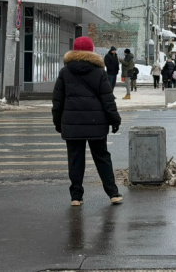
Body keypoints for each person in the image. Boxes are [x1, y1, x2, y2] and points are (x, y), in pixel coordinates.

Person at [51, 36, 123, 207]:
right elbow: (108, 99)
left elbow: (57, 100)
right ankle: (113, 193)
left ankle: (76, 197)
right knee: (102, 157)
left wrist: (58, 122)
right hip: (96, 122)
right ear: (91, 51)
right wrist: (115, 119)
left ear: (74, 51)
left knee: (75, 159)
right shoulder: (99, 72)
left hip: (72, 123)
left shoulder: (65, 72)